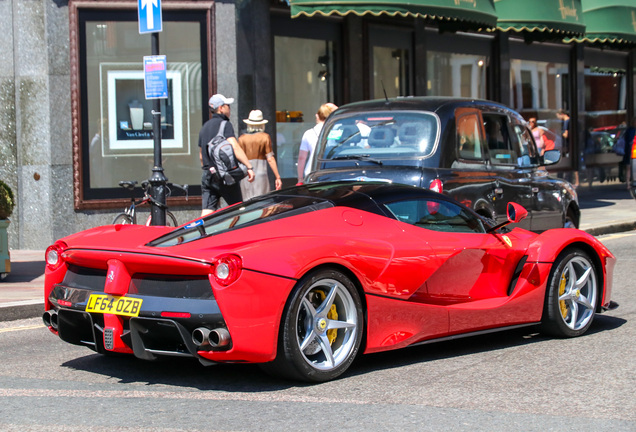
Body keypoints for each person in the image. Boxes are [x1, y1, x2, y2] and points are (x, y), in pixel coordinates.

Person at [198, 94, 255, 217]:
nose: (229, 108)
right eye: (227, 106)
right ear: (221, 108)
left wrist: (209, 170)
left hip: (208, 175)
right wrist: (249, 167)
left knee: (207, 212)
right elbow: (234, 146)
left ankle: (202, 234)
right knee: (238, 209)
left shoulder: (204, 127)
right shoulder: (225, 125)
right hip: (224, 176)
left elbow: (201, 156)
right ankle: (238, 234)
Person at [237, 109, 282, 200]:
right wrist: (277, 177)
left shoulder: (242, 139)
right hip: (261, 174)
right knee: (262, 202)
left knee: (247, 202)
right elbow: (270, 159)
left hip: (246, 175)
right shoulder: (265, 137)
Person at [297, 103, 338, 183]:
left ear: (317, 116)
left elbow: (301, 158)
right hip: (331, 172)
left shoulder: (309, 133)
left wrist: (300, 178)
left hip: (312, 173)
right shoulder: (337, 132)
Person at [557, 109, 579, 187]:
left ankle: (572, 181)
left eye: (558, 116)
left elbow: (566, 135)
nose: (558, 118)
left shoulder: (566, 122)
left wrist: (560, 133)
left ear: (562, 114)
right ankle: (576, 181)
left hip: (568, 145)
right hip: (573, 145)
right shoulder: (572, 121)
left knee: (568, 163)